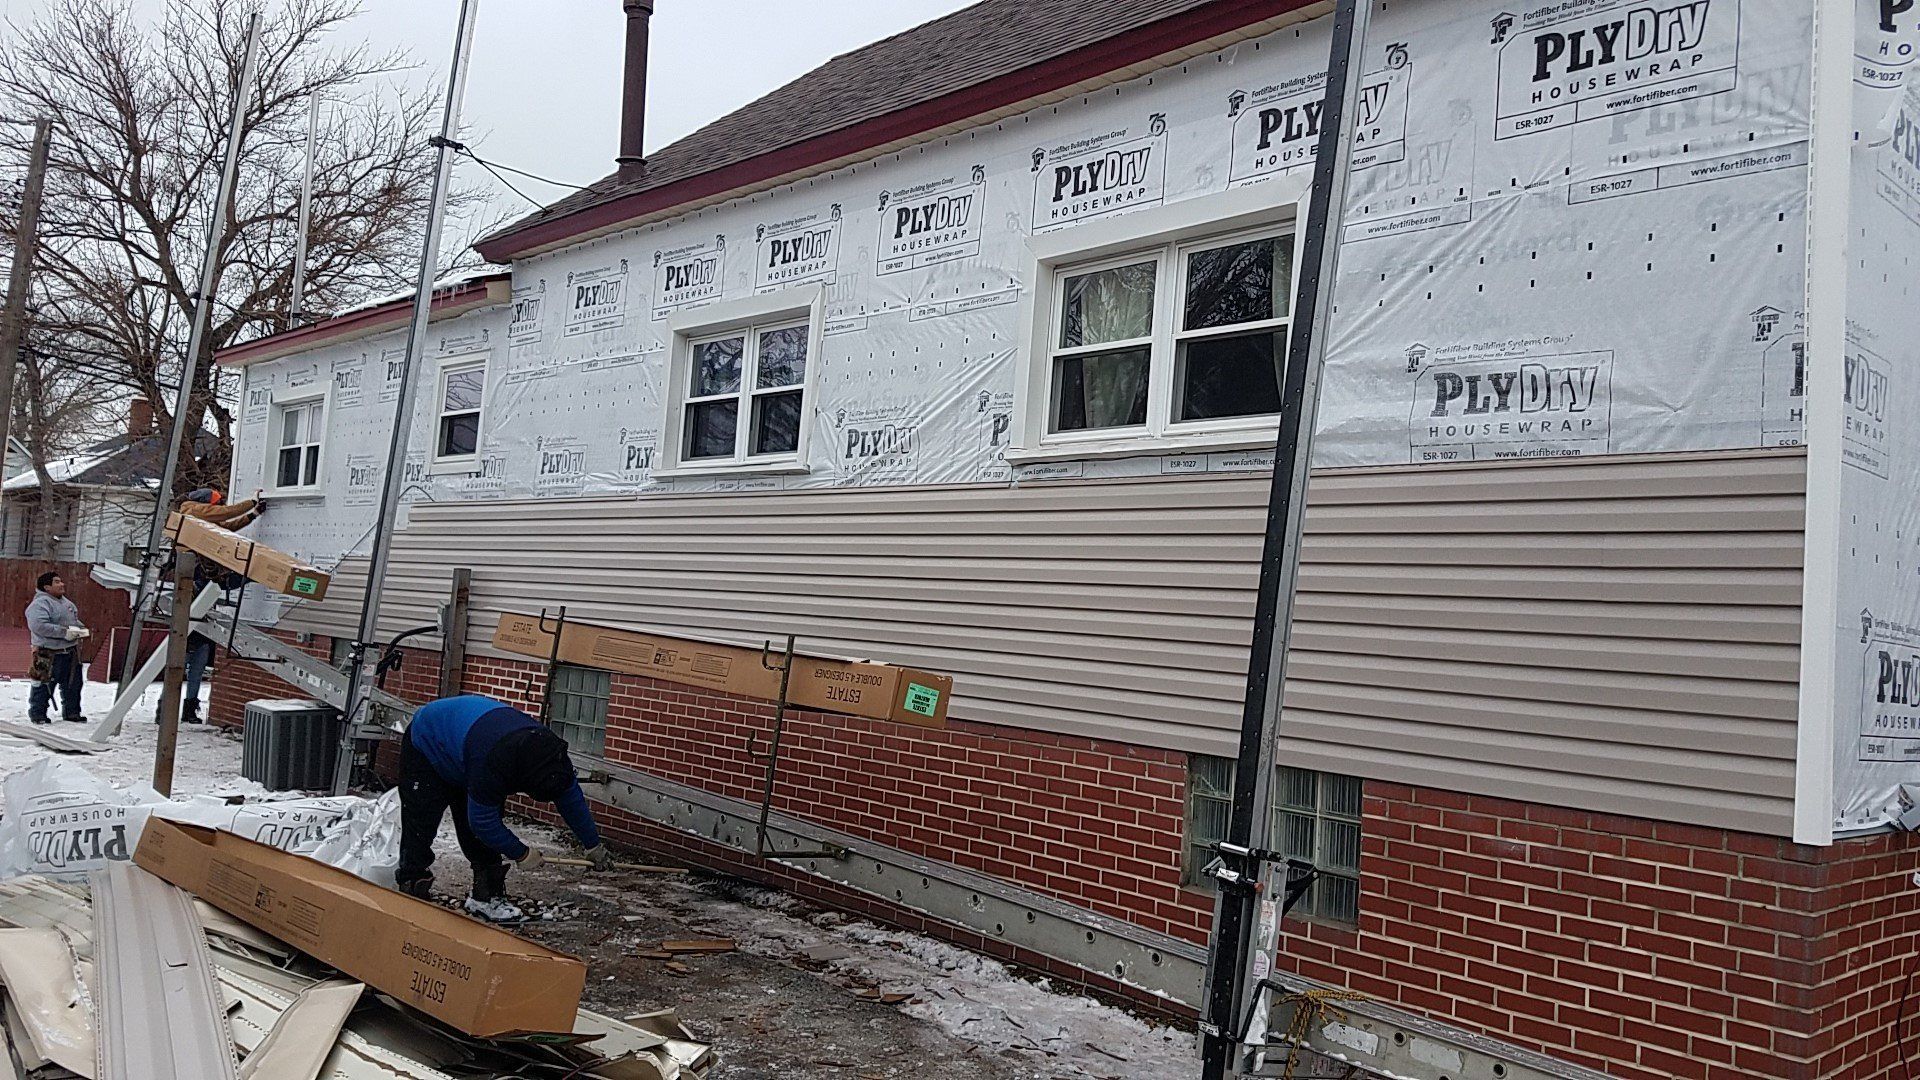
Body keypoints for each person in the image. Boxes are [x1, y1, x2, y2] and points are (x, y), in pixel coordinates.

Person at [396, 693, 612, 921]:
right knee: (421, 819)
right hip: (429, 740)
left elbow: (571, 800)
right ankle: (413, 883)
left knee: (477, 833)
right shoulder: (496, 762)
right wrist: (521, 853)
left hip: (469, 743)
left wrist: (592, 844)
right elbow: (483, 822)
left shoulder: (553, 758)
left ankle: (486, 897)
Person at [167, 487, 267, 724]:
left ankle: (186, 708)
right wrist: (251, 501)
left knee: (196, 660)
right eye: (216, 502)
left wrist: (253, 515)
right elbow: (224, 514)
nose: (219, 504)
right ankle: (169, 708)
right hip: (193, 576)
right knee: (181, 660)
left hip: (199, 579)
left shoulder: (202, 522)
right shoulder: (191, 511)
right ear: (206, 503)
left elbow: (227, 527)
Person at [25, 571, 88, 724]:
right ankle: (38, 714)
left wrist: (80, 629)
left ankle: (72, 712)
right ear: (46, 587)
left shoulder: (67, 603)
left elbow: (73, 621)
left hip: (70, 653)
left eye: (61, 581)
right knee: (44, 685)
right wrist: (63, 633)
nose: (62, 584)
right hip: (47, 653)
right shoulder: (40, 604)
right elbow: (39, 626)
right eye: (57, 582)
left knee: (73, 684)